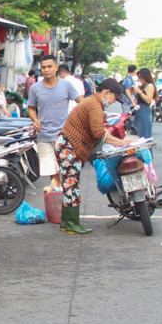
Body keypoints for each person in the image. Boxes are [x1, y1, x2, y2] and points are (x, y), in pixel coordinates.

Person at [54, 78, 138, 234]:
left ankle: (67, 222)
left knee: (70, 184)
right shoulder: (94, 105)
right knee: (72, 185)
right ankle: (72, 223)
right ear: (107, 92)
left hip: (67, 144)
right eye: (114, 98)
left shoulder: (93, 103)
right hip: (69, 146)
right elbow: (99, 133)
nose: (113, 102)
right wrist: (122, 143)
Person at [27, 54, 82, 191]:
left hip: (64, 136)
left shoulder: (66, 86)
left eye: (49, 66)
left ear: (56, 68)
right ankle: (56, 199)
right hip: (44, 137)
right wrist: (35, 120)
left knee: (67, 171)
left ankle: (66, 201)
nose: (46, 70)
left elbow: (82, 103)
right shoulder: (35, 88)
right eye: (43, 67)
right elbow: (31, 108)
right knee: (52, 172)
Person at [132, 68, 156, 141]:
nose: (140, 80)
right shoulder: (143, 86)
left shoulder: (150, 86)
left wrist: (139, 91)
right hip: (139, 111)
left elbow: (148, 100)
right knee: (137, 133)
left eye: (141, 78)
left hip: (144, 112)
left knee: (144, 134)